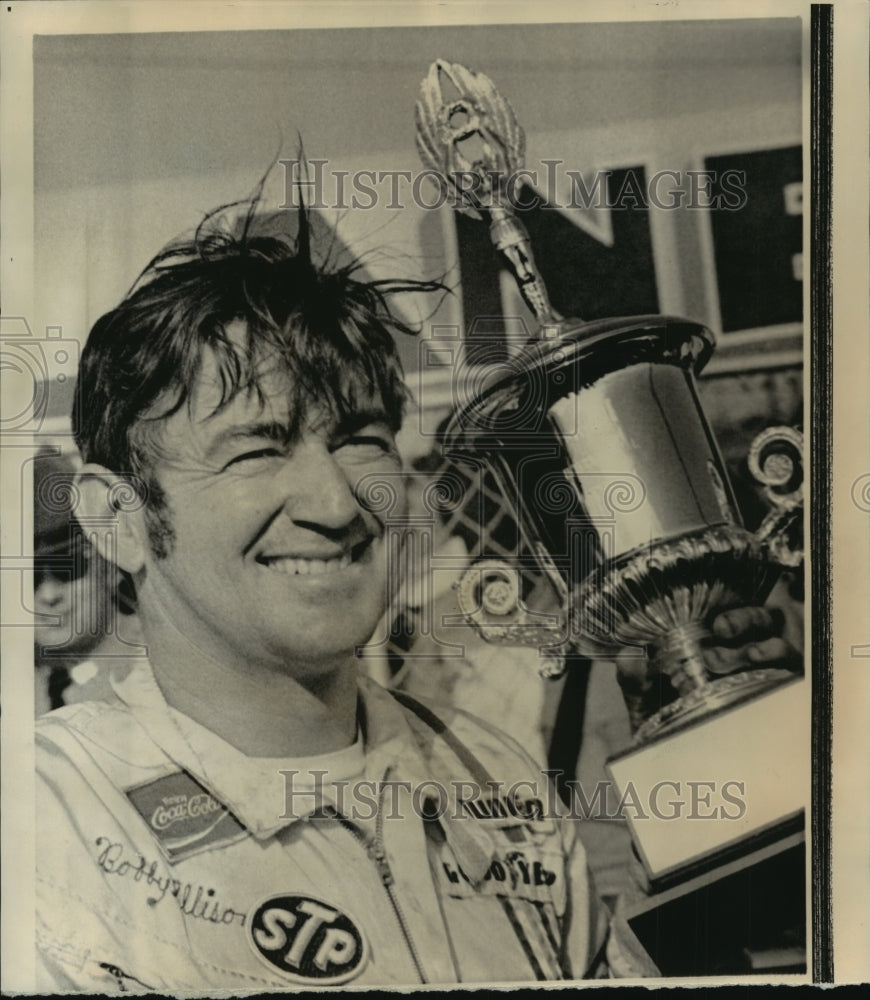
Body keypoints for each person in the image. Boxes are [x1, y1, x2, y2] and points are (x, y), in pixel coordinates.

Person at [34, 195, 796, 990]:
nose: (335, 504)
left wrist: (709, 750)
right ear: (116, 518)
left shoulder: (493, 777)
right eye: (257, 449)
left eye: (360, 437)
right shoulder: (47, 827)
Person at [33, 449, 145, 715]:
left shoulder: (161, 671)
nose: (48, 594)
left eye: (68, 568)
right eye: (28, 579)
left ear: (109, 563)